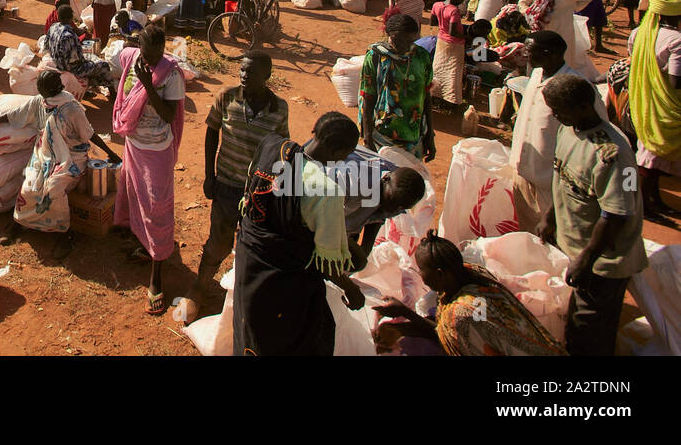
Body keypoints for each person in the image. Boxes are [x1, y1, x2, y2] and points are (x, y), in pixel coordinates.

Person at [232, 112, 366, 356]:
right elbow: (327, 263)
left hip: (249, 266)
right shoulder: (327, 192)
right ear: (337, 153)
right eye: (348, 152)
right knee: (294, 341)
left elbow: (250, 200)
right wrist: (351, 289)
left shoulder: (272, 146)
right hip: (284, 284)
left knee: (250, 331)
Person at [537, 74, 648, 356]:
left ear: (584, 107)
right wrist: (550, 217)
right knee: (586, 326)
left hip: (604, 261)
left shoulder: (615, 155)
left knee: (587, 334)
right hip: (581, 252)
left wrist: (586, 260)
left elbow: (617, 214)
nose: (555, 116)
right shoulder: (569, 129)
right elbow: (562, 176)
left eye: (559, 110)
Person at [373, 231, 564, 356]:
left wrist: (405, 315)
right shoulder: (468, 273)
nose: (420, 274)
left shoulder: (465, 311)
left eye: (422, 269)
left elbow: (448, 336)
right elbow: (443, 328)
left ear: (439, 274)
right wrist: (401, 327)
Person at [194, 51, 288, 304]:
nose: (244, 75)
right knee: (219, 242)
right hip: (226, 184)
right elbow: (212, 133)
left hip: (258, 191)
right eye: (243, 70)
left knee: (252, 244)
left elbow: (280, 148)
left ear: (266, 76)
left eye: (251, 72)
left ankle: (243, 295)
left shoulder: (279, 109)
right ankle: (200, 286)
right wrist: (209, 175)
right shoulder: (226, 97)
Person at [2, 69, 120, 259]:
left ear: (51, 88)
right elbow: (17, 113)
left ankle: (64, 232)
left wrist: (112, 153)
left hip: (73, 158)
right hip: (45, 154)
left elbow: (90, 135)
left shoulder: (71, 109)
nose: (39, 90)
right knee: (29, 186)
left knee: (54, 189)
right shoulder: (41, 101)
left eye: (41, 87)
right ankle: (19, 222)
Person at [111, 24, 186, 315]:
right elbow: (120, 49)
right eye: (145, 54)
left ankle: (156, 277)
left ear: (163, 51)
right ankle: (143, 243)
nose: (149, 61)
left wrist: (148, 85)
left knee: (157, 208)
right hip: (134, 143)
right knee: (132, 193)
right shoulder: (132, 58)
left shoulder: (172, 74)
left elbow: (168, 115)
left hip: (157, 149)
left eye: (155, 56)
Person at [509, 31, 605, 231]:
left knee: (553, 236)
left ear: (549, 54)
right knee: (528, 232)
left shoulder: (575, 87)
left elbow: (597, 131)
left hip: (552, 183)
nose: (525, 55)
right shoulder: (536, 73)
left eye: (529, 51)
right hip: (523, 170)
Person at [625, 0, 681, 218]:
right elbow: (676, 81)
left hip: (642, 99)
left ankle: (652, 199)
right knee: (651, 158)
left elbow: (632, 59)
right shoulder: (677, 40)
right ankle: (644, 205)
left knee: (649, 154)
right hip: (665, 103)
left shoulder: (639, 32)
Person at [358, 12, 435, 161]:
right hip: (382, 135)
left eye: (411, 41)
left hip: (413, 136)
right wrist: (367, 139)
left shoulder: (421, 57)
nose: (406, 46)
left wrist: (429, 136)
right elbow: (367, 97)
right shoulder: (376, 57)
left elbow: (425, 96)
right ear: (389, 35)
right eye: (401, 40)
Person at [519, 0, 592, 68]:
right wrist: (530, 13)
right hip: (541, 31)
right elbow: (522, 2)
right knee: (538, 57)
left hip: (563, 30)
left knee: (563, 57)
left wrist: (572, 8)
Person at [46, 3, 113, 93]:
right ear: (71, 18)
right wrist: (89, 62)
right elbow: (77, 60)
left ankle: (85, 89)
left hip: (56, 62)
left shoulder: (53, 27)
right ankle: (112, 91)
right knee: (103, 65)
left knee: (90, 58)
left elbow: (46, 45)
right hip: (70, 68)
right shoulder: (69, 36)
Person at [429, 0, 468, 105]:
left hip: (441, 41)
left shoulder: (437, 5)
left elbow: (432, 22)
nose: (462, 1)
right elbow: (453, 32)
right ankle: (451, 99)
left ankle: (434, 93)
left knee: (438, 68)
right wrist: (467, 36)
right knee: (453, 72)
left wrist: (442, 25)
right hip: (454, 45)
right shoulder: (454, 11)